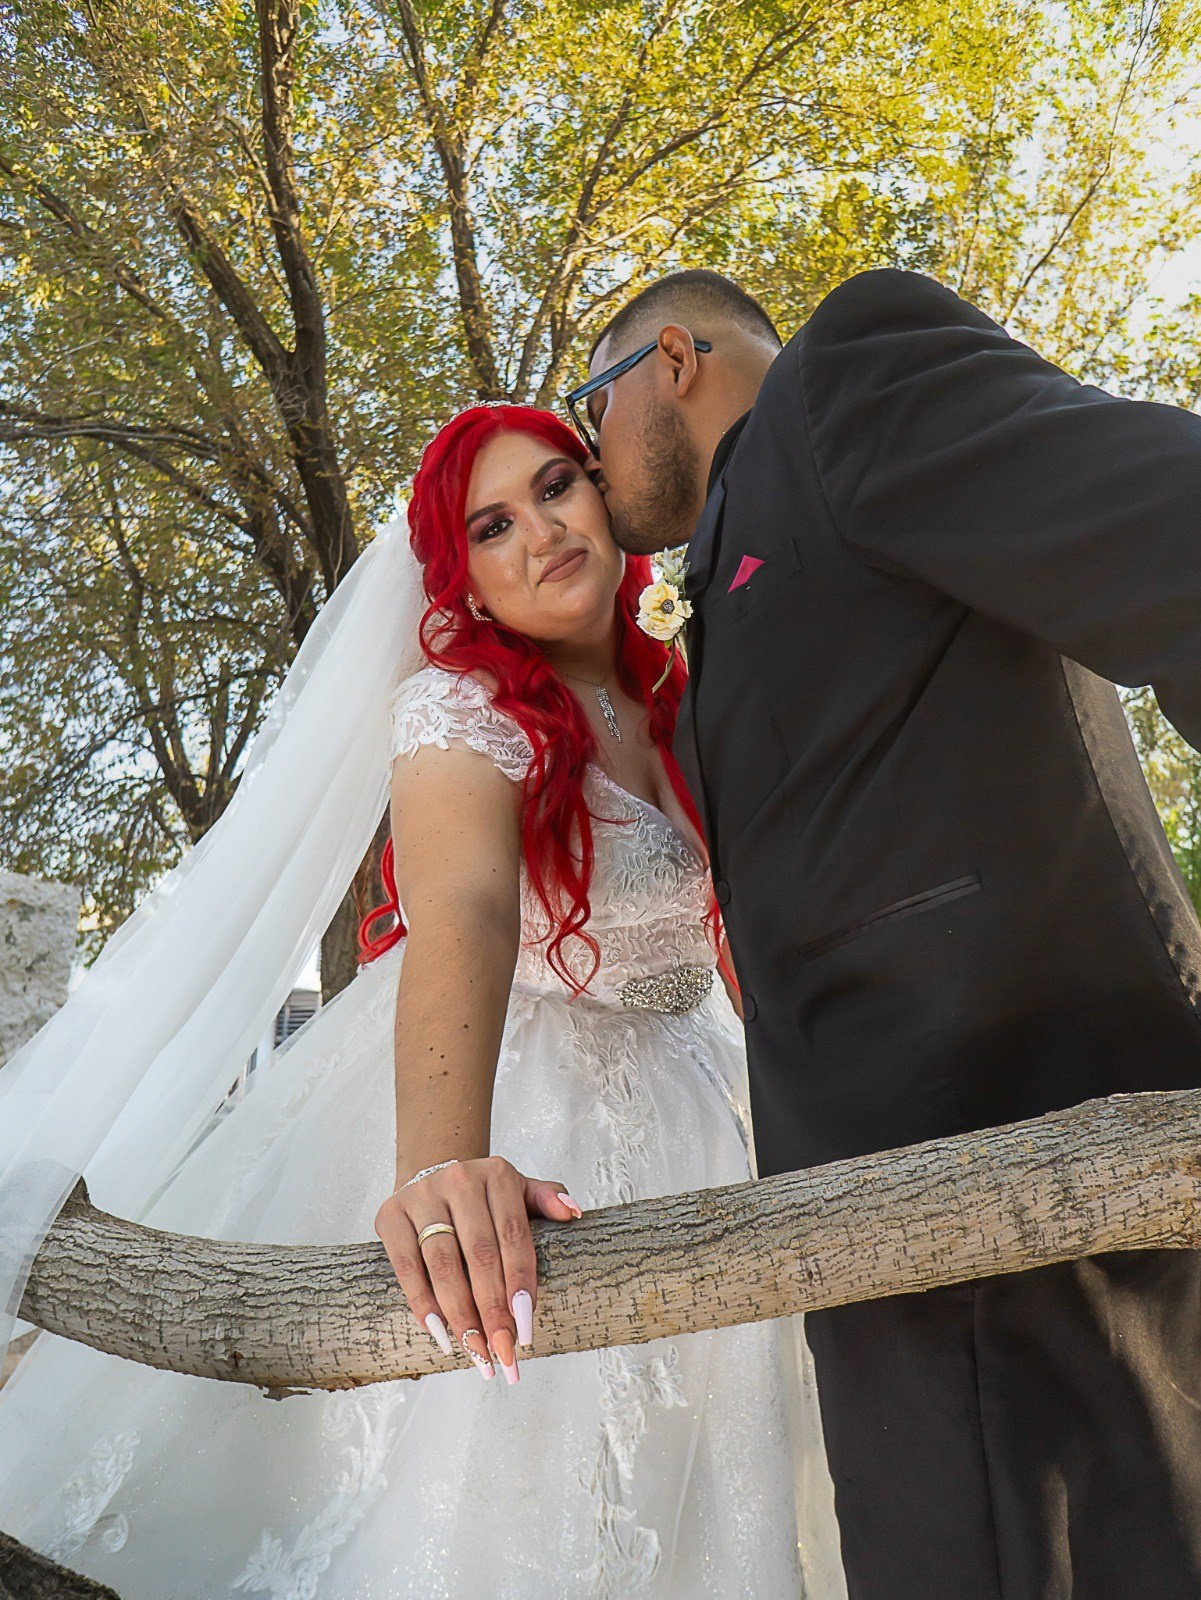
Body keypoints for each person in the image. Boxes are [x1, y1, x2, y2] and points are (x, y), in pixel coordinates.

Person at [0, 404, 845, 1599]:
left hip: (705, 1104)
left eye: (557, 487)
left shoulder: (685, 696)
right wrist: (445, 1168)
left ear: (607, 501)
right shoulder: (459, 710)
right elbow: (465, 916)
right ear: (466, 578)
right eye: (492, 525)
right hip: (517, 1089)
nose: (541, 531)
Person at [575, 264, 1201, 1599]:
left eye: (592, 407)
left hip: (1042, 1158)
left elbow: (1171, 523)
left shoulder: (844, 379)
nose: (588, 455)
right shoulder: (714, 611)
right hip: (876, 1251)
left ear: (671, 359)